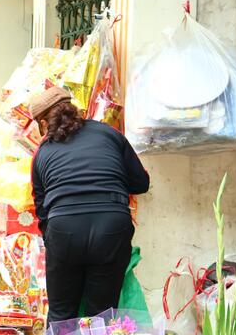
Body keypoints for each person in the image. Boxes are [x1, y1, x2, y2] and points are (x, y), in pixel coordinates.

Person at [29, 86, 150, 322]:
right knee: (101, 317)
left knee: (61, 315)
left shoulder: (42, 152)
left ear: (43, 124)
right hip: (111, 225)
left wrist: (57, 245)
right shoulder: (109, 134)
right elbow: (141, 182)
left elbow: (42, 210)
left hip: (64, 228)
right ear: (75, 109)